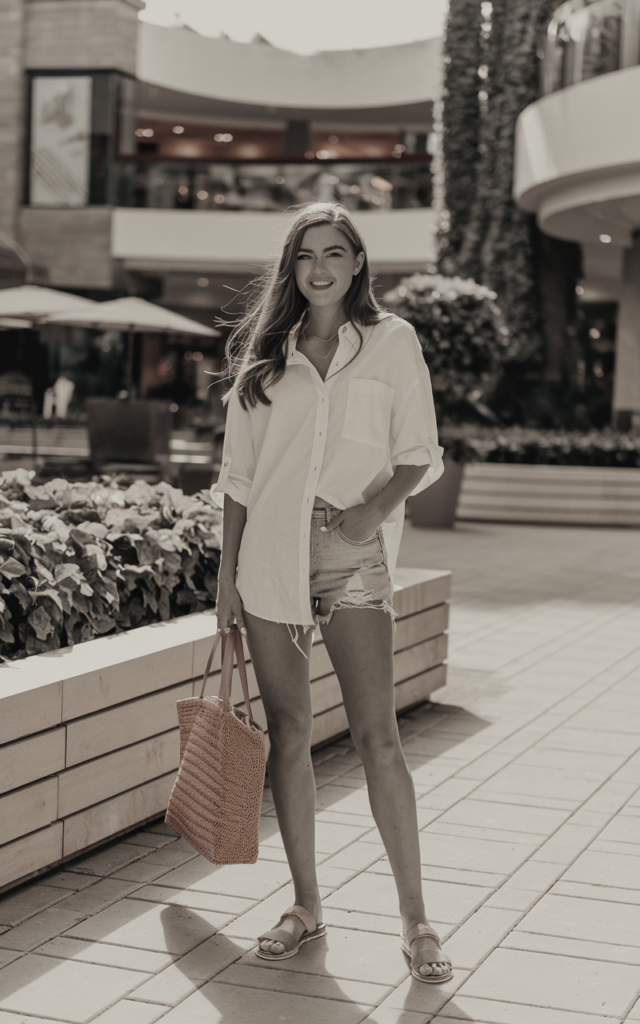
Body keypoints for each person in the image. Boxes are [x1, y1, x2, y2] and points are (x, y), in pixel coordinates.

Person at [212, 202, 451, 984]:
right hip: (269, 561)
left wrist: (367, 518)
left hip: (352, 555)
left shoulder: (392, 342)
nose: (319, 267)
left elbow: (419, 454)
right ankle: (307, 904)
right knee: (289, 732)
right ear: (293, 266)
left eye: (335, 252)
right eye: (306, 254)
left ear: (357, 264)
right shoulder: (265, 358)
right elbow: (239, 481)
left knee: (376, 736)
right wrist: (225, 581)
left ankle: (417, 920)